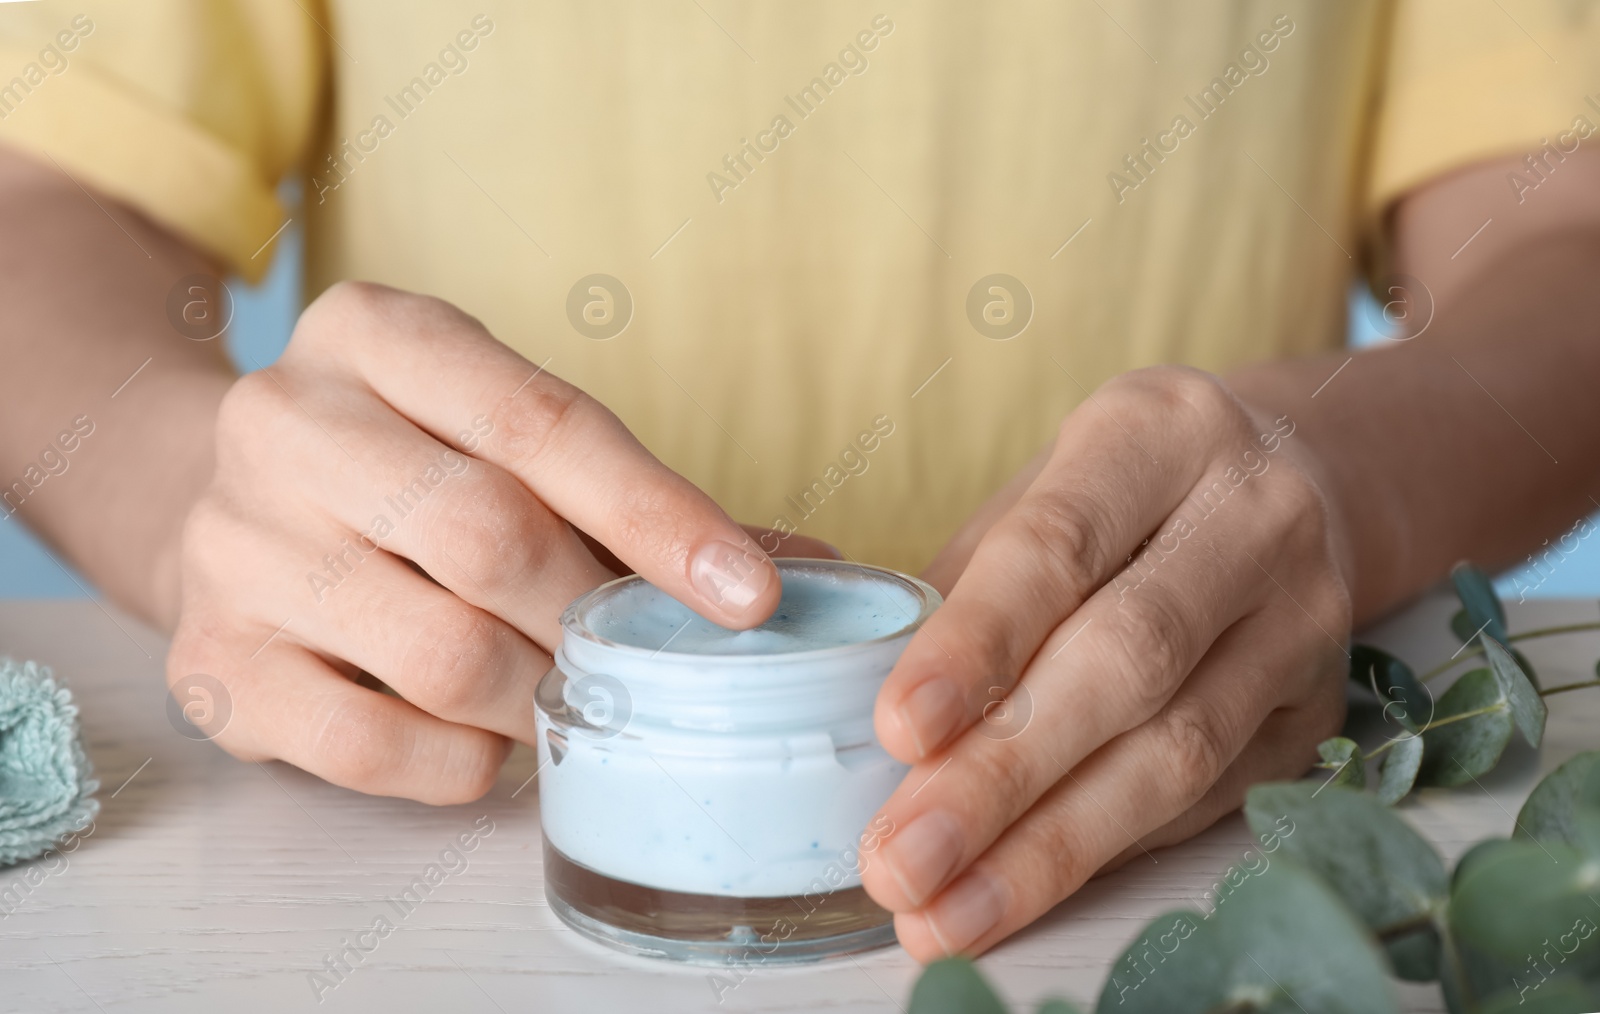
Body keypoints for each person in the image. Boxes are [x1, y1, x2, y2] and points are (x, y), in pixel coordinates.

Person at [3, 1, 1599, 961]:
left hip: (1195, 848)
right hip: (450, 876)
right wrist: (180, 485)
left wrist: (1348, 481)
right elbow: (40, 193)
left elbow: (1564, 227)